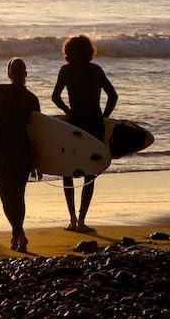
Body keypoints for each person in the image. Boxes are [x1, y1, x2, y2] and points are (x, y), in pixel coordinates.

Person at [52, 35, 118, 233]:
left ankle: (71, 220)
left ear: (69, 52)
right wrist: (104, 117)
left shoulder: (66, 70)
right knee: (90, 172)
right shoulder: (95, 70)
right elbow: (113, 95)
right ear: (89, 51)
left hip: (75, 125)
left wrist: (67, 110)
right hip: (95, 124)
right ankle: (82, 221)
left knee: (68, 171)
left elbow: (55, 97)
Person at [0, 58, 40, 252]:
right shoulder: (32, 98)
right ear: (25, 74)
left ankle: (19, 234)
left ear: (9, 74)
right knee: (19, 195)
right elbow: (36, 133)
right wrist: (37, 162)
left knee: (7, 197)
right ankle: (18, 235)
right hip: (23, 151)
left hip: (3, 151)